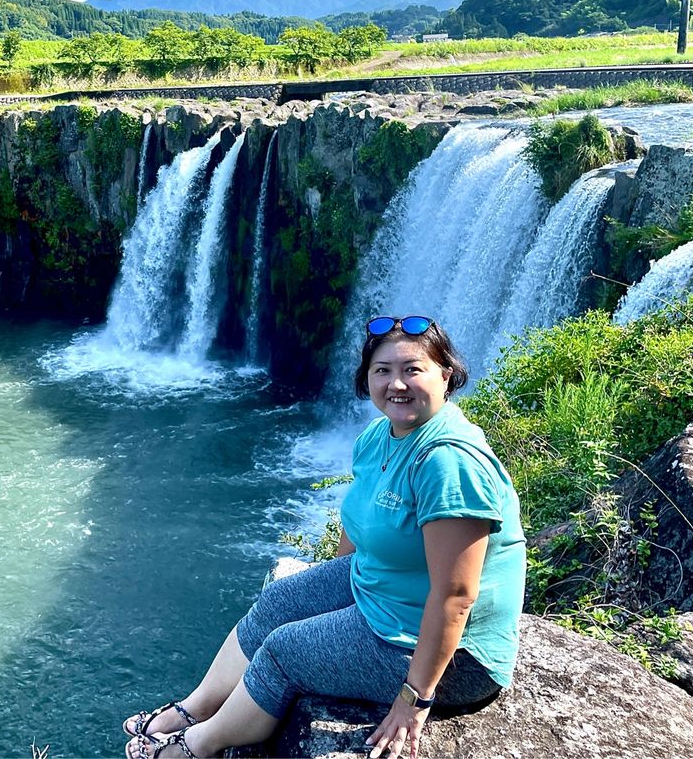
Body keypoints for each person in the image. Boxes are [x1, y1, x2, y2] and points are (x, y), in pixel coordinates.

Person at [124, 315, 526, 759]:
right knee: (279, 601)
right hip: (389, 596)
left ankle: (198, 745)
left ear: (445, 375)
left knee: (285, 651)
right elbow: (359, 524)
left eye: (412, 369)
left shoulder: (448, 463)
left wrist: (414, 700)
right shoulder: (380, 436)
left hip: (457, 656)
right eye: (383, 370)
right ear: (367, 378)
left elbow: (456, 596)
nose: (397, 384)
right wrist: (328, 597)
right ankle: (194, 709)